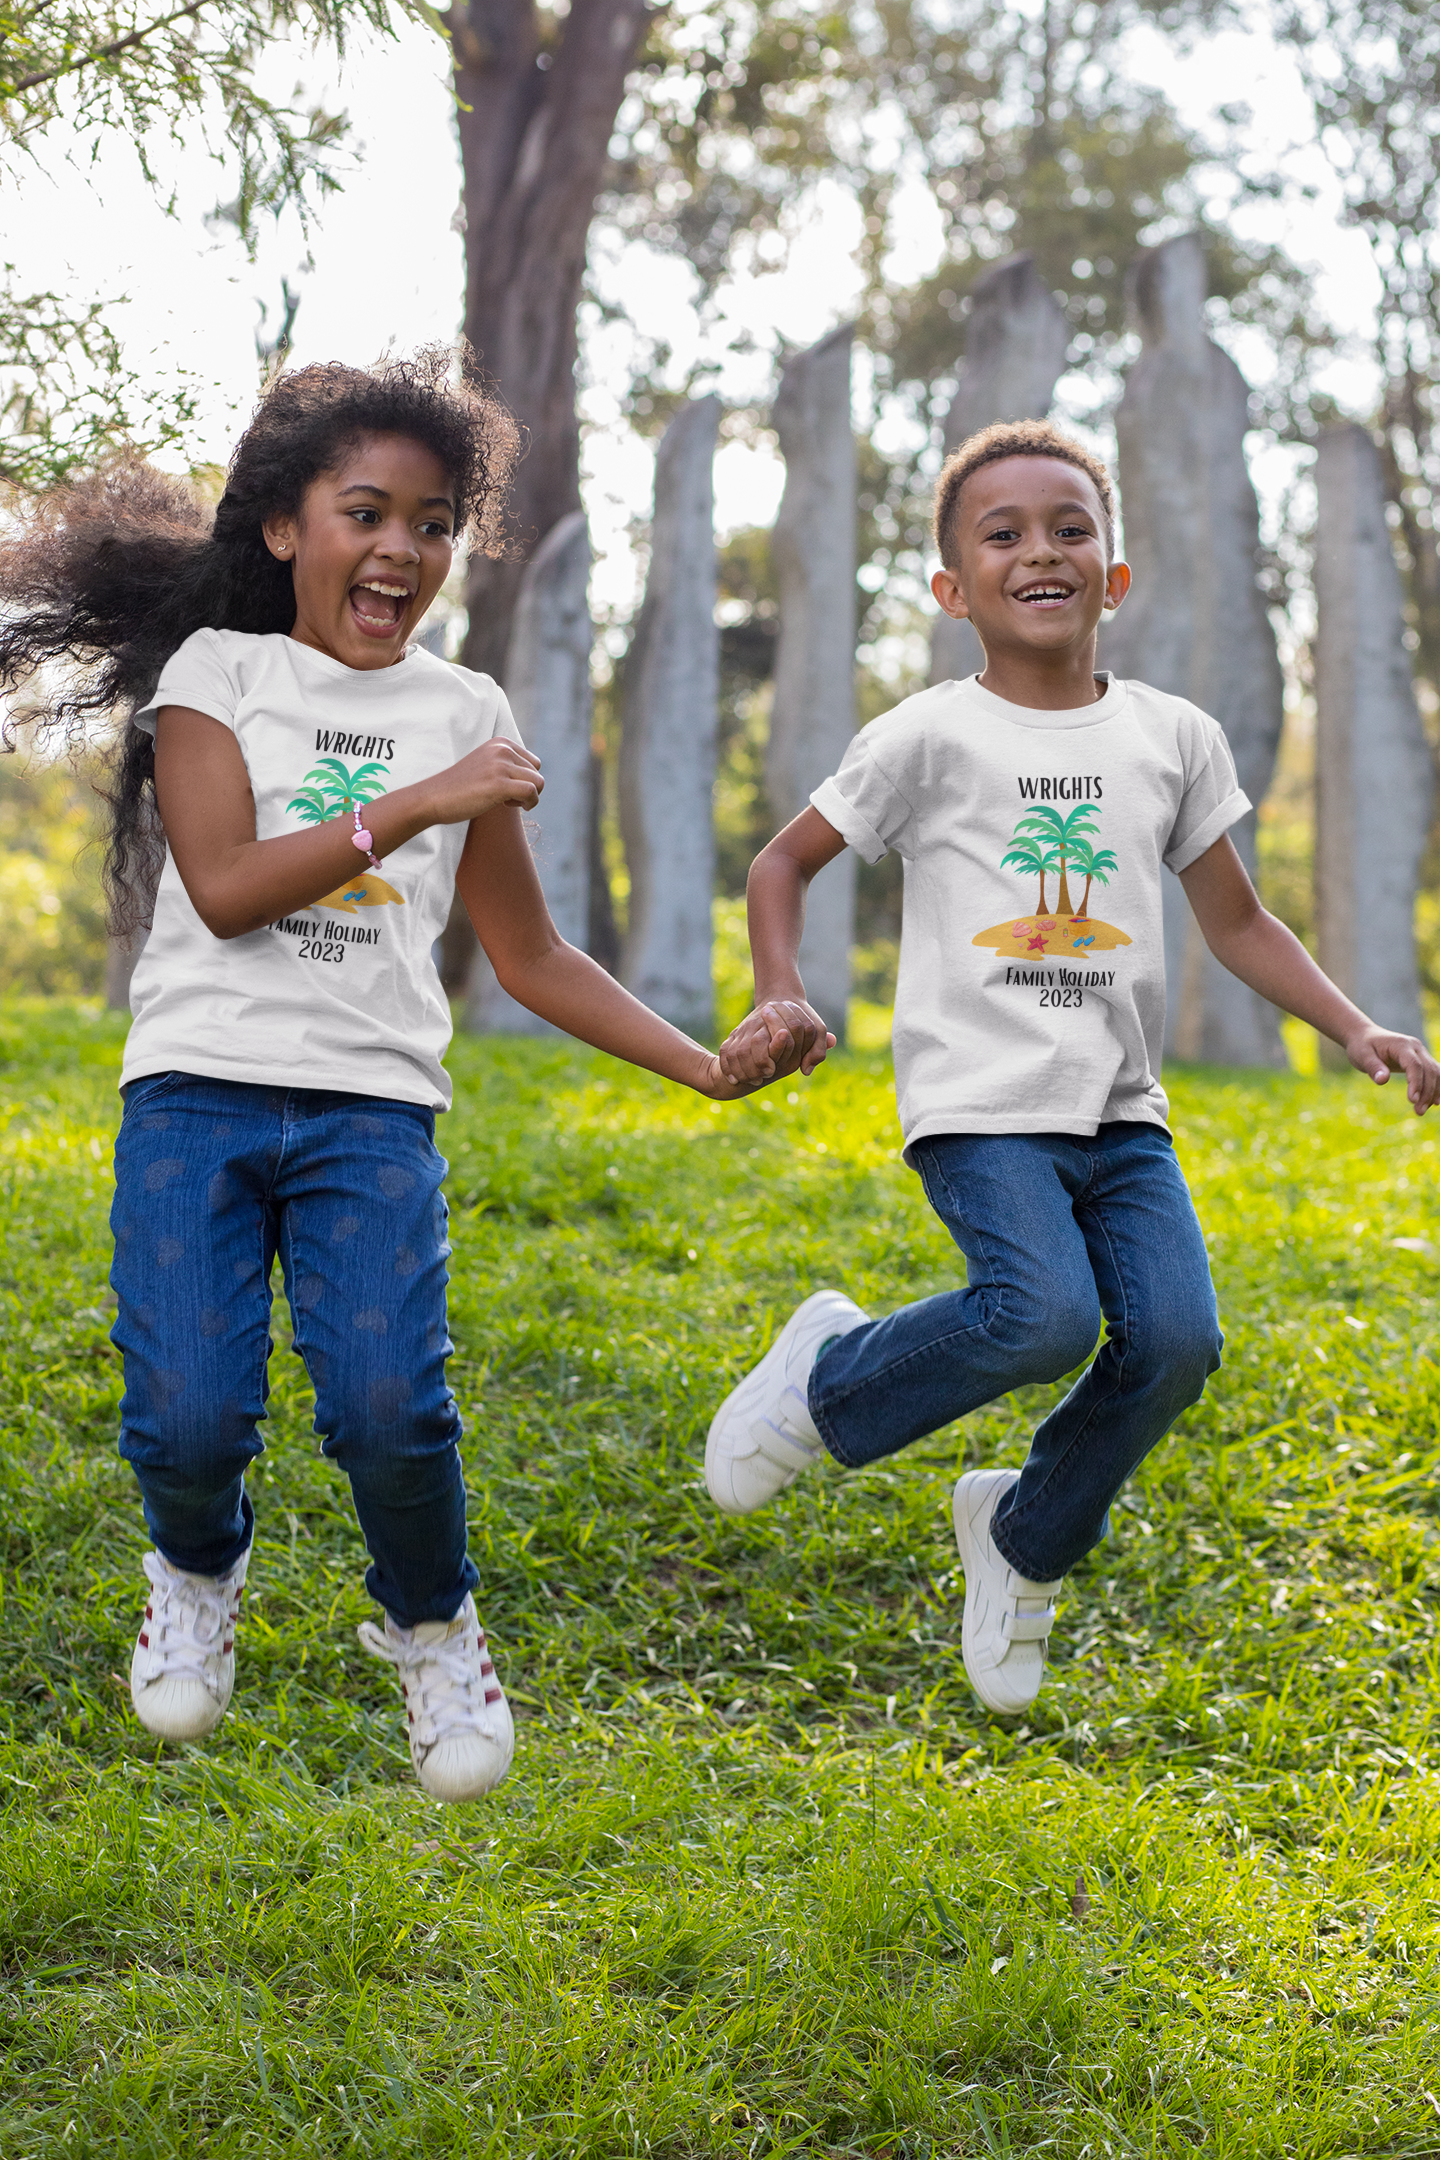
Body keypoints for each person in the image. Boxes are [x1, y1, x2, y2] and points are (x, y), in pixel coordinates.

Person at [0, 351, 798, 1802]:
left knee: (387, 1409)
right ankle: (194, 1567)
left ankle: (434, 1626)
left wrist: (702, 1067)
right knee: (187, 1416)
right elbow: (231, 886)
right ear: (284, 528)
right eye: (366, 512)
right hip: (195, 1095)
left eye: (433, 523)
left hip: (372, 1112)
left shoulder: (463, 704)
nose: (402, 550)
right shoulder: (218, 675)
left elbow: (531, 952)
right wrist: (423, 797)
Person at [708, 416, 1440, 1717]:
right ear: (953, 588)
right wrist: (780, 990)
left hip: (1120, 1118)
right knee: (1042, 1315)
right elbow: (782, 864)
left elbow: (1238, 922)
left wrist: (1354, 1026)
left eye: (1070, 529)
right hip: (981, 1108)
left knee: (1175, 1342)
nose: (1040, 550)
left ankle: (1023, 1534)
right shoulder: (926, 736)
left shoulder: (1171, 737)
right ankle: (825, 1378)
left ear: (1115, 574)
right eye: (1004, 534)